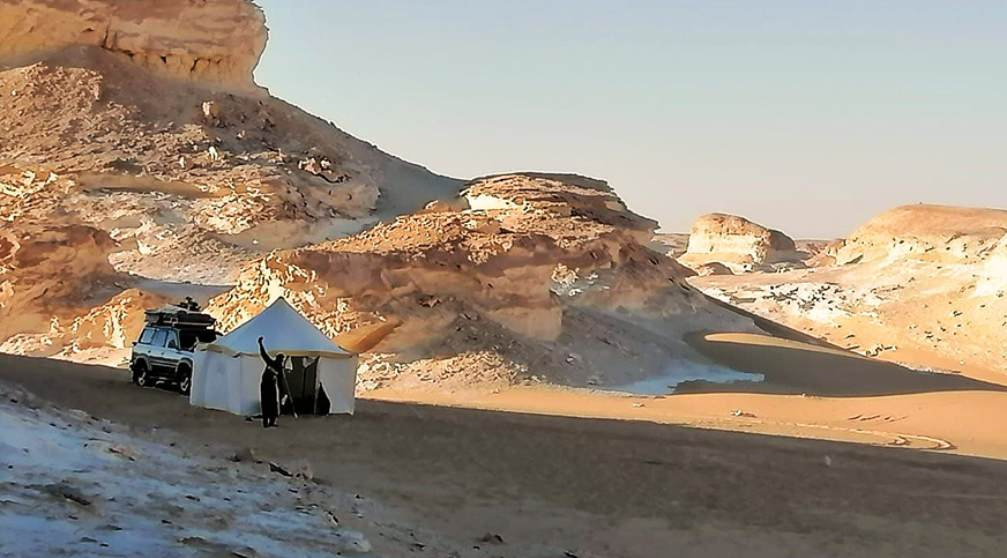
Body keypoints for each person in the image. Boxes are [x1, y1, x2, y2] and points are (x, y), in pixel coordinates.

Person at [257, 336, 284, 428]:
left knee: (272, 404)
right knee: (265, 403)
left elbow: (280, 381)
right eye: (280, 359)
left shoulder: (279, 369)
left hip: (272, 387)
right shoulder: (270, 363)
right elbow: (263, 354)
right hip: (265, 386)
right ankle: (265, 422)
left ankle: (272, 421)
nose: (281, 361)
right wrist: (260, 344)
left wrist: (282, 392)